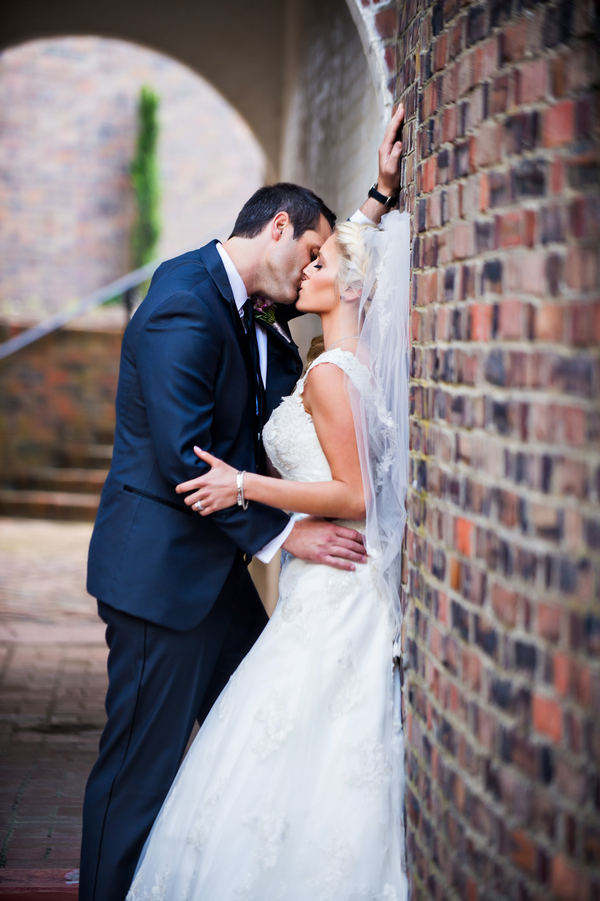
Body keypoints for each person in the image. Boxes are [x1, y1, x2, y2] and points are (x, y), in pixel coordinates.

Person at [80, 108, 405, 901]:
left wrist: (378, 199)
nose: (311, 270)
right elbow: (186, 460)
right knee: (138, 773)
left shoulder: (254, 297)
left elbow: (340, 288)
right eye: (311, 250)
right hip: (161, 580)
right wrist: (289, 530)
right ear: (279, 229)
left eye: (322, 258)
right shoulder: (186, 304)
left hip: (217, 579)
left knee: (260, 730)